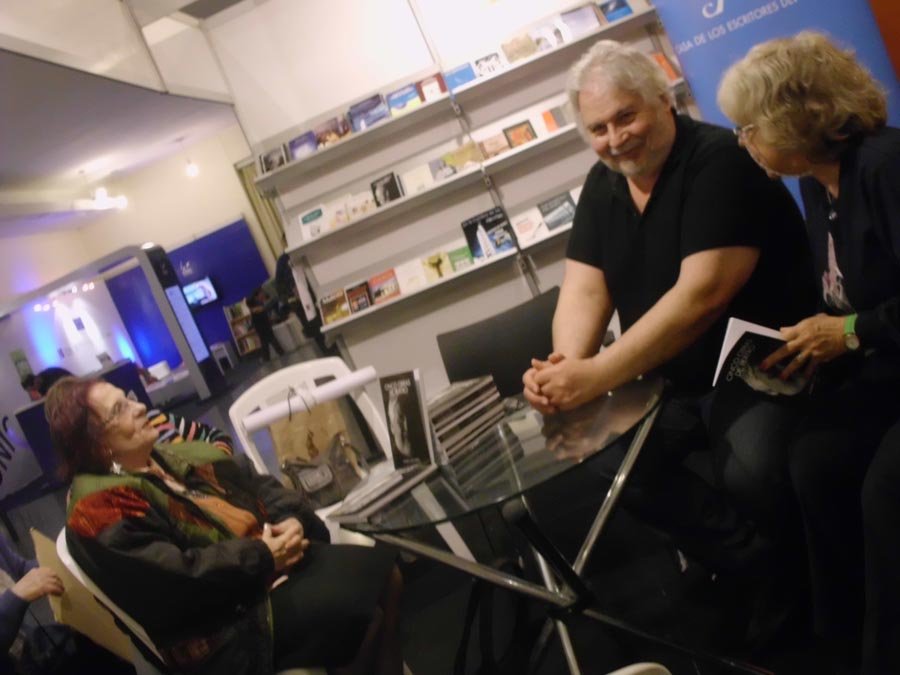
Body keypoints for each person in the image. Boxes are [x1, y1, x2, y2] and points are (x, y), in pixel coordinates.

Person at [522, 39, 817, 632]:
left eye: (625, 116)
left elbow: (700, 298)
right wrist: (563, 369)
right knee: (606, 458)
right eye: (598, 128)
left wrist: (592, 376)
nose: (615, 138)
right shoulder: (603, 184)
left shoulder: (719, 159)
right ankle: (759, 566)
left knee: (750, 470)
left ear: (663, 98)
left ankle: (794, 589)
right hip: (672, 379)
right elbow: (583, 290)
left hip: (759, 365)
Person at [718, 31, 900, 674]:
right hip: (886, 368)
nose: (743, 142)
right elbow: (847, 295)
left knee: (885, 491)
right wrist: (810, 341)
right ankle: (845, 645)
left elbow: (861, 317)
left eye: (748, 128)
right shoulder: (819, 185)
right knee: (815, 459)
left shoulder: (885, 168)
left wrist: (847, 333)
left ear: (793, 121)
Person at [45, 376, 403, 675]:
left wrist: (290, 519)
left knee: (389, 576)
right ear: (96, 444)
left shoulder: (163, 457)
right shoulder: (98, 510)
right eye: (119, 410)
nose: (139, 407)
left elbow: (258, 484)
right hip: (225, 626)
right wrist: (264, 557)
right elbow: (178, 579)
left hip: (259, 576)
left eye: (128, 398)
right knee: (361, 617)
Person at [1, 532, 131, 673]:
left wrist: (67, 562)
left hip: (29, 644)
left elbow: (19, 568)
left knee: (108, 645)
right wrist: (16, 596)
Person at [246, 286, 285, 362]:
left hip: (263, 324)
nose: (263, 294)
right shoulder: (255, 304)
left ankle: (267, 359)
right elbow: (261, 309)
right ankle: (275, 356)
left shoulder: (258, 303)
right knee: (269, 341)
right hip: (262, 326)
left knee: (266, 343)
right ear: (257, 295)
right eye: (261, 292)